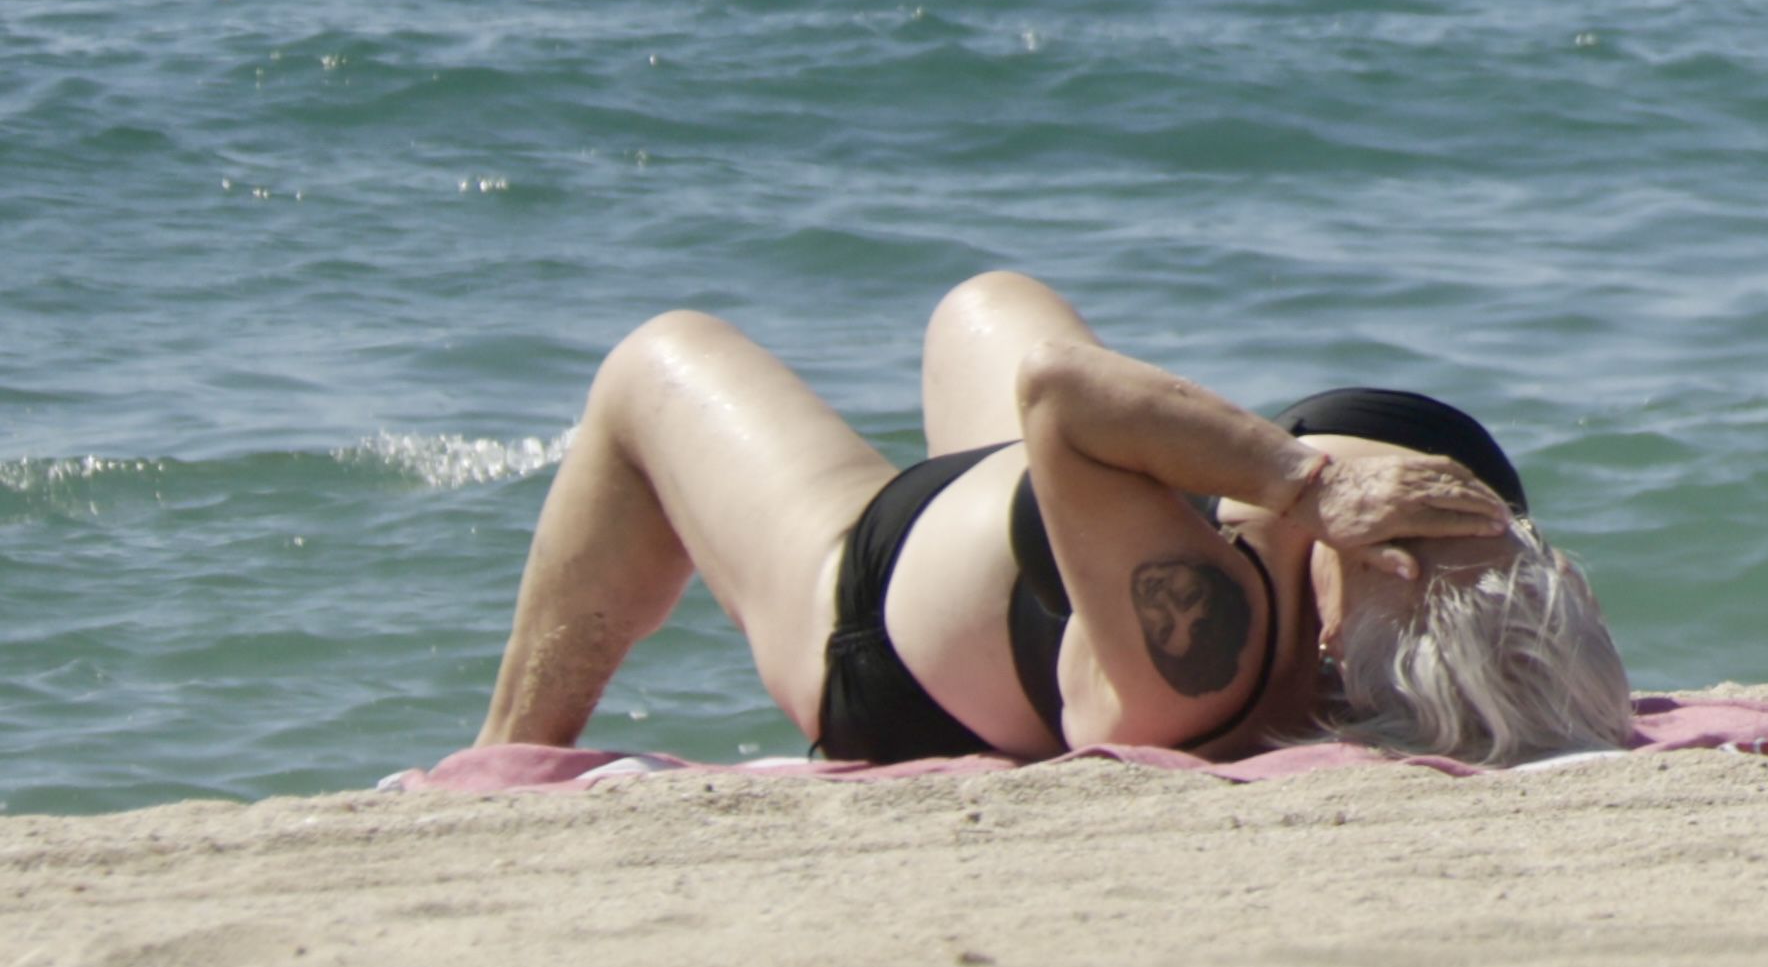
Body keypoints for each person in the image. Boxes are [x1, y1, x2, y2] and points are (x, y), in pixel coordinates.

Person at [474, 270, 1636, 765]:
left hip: (870, 615)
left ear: (1338, 650)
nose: (1419, 519)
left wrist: (1309, 482)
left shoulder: (1207, 658)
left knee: (654, 364)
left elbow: (1061, 395)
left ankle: (504, 760)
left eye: (1406, 553)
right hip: (1022, 534)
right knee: (985, 301)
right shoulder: (1414, 607)